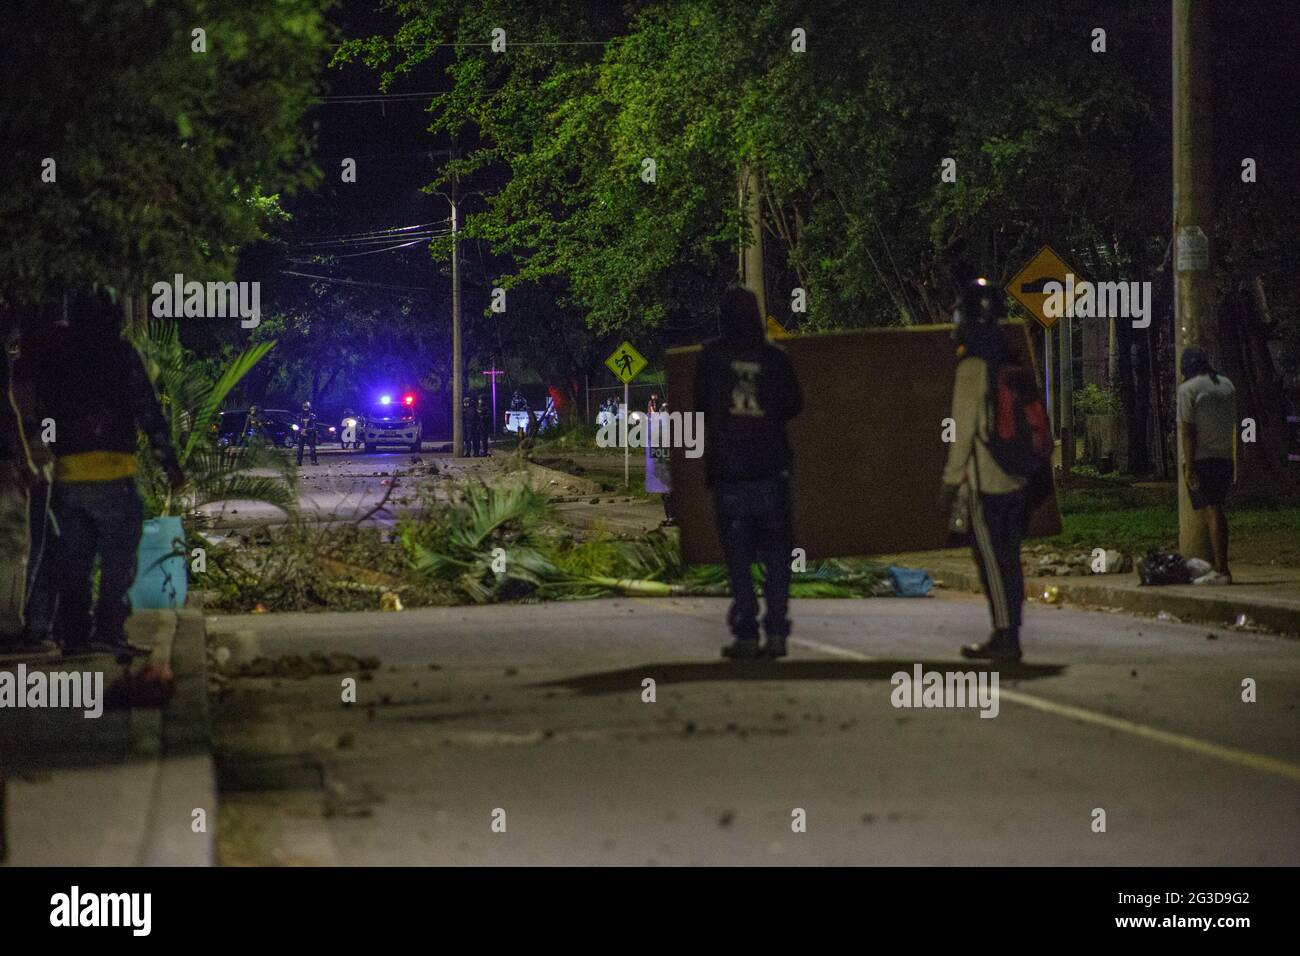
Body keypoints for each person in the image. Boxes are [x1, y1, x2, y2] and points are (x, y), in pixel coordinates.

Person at [26, 288, 184, 656]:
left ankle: (75, 639)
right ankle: (108, 630)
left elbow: (42, 410)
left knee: (75, 564)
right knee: (117, 561)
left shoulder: (59, 358)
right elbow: (147, 409)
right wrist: (168, 462)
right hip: (116, 476)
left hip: (70, 478)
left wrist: (47, 452)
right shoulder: (122, 355)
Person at [695, 285, 802, 659]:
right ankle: (776, 630)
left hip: (730, 474)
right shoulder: (776, 358)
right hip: (772, 471)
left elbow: (701, 405)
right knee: (777, 558)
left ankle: (746, 631)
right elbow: (794, 404)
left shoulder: (710, 357)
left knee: (738, 560)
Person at [940, 277, 1027, 662]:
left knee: (991, 560)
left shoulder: (972, 364)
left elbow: (961, 432)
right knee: (1010, 558)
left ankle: (1006, 636)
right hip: (1017, 476)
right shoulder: (1008, 357)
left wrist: (948, 482)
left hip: (985, 479)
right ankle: (1008, 630)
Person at [1177, 345, 1236, 585]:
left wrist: (1189, 466)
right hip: (1224, 456)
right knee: (1218, 510)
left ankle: (1222, 570)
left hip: (1202, 459)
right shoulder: (1227, 385)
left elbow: (1188, 431)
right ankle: (1220, 567)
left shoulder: (1187, 389)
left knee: (1213, 513)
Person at [296, 400, 318, 465]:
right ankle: (299, 461)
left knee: (312, 448)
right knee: (300, 449)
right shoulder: (299, 416)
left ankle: (313, 460)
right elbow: (297, 425)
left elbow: (314, 427)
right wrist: (300, 430)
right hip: (301, 433)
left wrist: (306, 430)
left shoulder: (312, 416)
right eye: (304, 407)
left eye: (307, 407)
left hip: (310, 434)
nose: (306, 409)